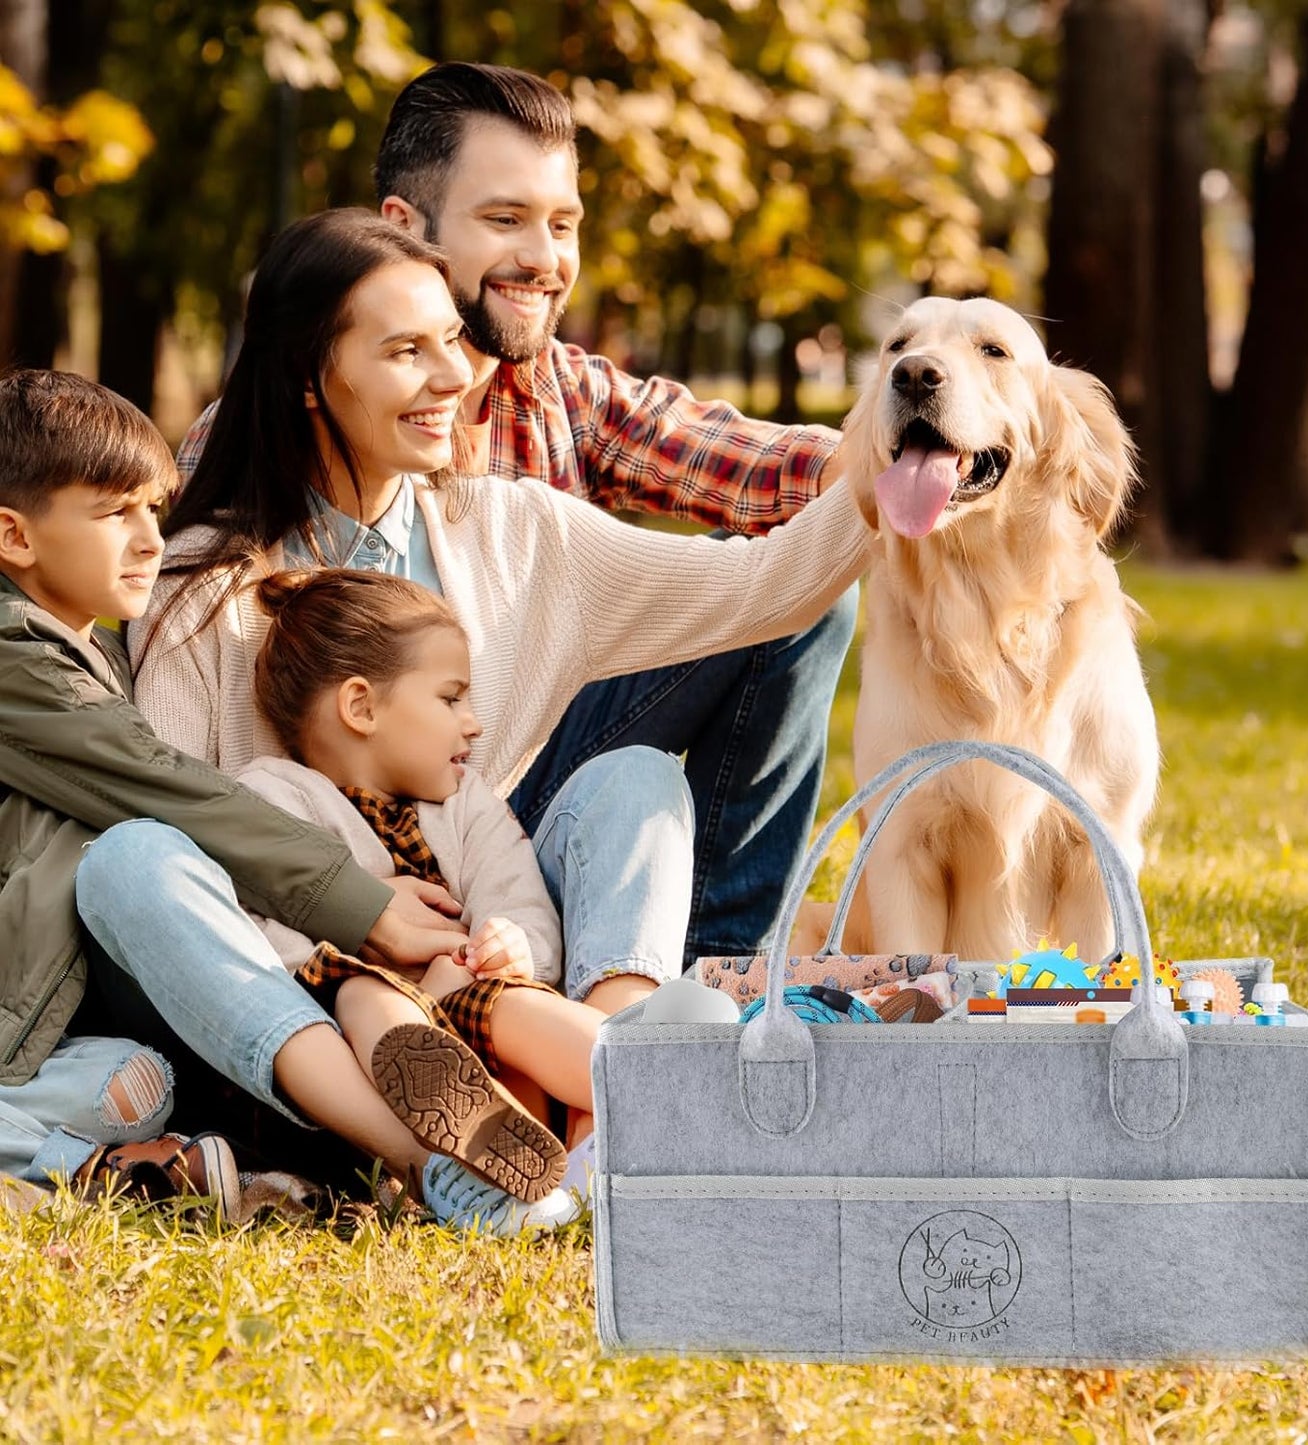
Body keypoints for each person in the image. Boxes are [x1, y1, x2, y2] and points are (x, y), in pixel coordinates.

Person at [178, 62, 854, 971]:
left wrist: (918, 445)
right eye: (505, 220)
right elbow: (187, 735)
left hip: (508, 769)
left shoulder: (562, 399)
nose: (545, 258)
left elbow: (765, 469)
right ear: (404, 230)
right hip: (324, 830)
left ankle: (714, 973)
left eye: (563, 223)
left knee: (799, 609)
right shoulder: (252, 454)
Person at [0, 369, 464, 1218]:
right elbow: (167, 783)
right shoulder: (12, 656)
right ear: (14, 534)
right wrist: (362, 905)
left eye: (153, 507)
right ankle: (405, 1155)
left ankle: (123, 1167)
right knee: (144, 857)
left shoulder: (81, 648)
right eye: (114, 513)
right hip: (14, 1034)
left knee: (133, 1084)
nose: (149, 538)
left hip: (49, 1037)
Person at [238, 567, 603, 1229]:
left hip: (472, 1000)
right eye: (450, 698)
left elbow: (520, 901)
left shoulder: (466, 804)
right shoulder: (275, 796)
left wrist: (512, 941)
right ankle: (506, 1168)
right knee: (368, 997)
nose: (474, 724)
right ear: (361, 706)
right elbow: (264, 937)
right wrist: (411, 982)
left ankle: (653, 1085)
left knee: (517, 1003)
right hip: (356, 1049)